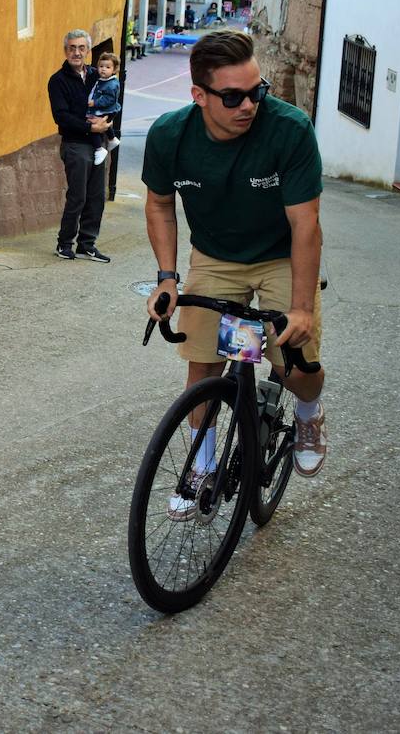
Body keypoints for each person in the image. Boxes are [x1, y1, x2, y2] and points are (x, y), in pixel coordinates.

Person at [141, 30, 328, 521]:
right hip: (217, 257)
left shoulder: (288, 129)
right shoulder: (170, 135)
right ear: (199, 96)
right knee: (203, 365)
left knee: (294, 367)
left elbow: (305, 223)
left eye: (257, 91)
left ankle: (308, 414)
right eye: (233, 96)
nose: (249, 104)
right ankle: (202, 467)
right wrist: (167, 277)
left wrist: (302, 308)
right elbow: (160, 203)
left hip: (279, 256)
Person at [48, 28, 113, 262]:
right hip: (76, 144)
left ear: (88, 50)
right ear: (66, 51)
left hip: (98, 144)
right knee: (78, 196)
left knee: (96, 196)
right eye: (72, 48)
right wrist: (90, 128)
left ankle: (87, 244)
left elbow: (111, 100)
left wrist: (106, 123)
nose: (77, 52)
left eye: (81, 48)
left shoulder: (98, 75)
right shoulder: (58, 81)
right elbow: (61, 116)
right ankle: (64, 243)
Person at [87, 52, 122, 167]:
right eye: (101, 66)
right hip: (106, 110)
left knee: (92, 125)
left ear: (114, 69)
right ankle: (112, 139)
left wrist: (94, 102)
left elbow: (109, 99)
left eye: (107, 67)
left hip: (104, 110)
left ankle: (99, 149)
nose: (103, 69)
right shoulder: (104, 80)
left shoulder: (111, 84)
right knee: (105, 124)